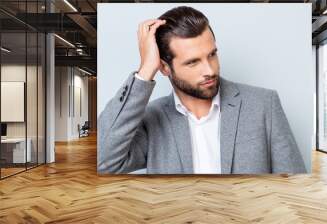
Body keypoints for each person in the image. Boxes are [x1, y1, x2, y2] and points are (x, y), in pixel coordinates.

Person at [98, 6, 306, 174]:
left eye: (212, 55)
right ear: (164, 67)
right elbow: (105, 162)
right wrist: (144, 72)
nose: (209, 70)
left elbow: (294, 187)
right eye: (192, 62)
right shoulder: (152, 119)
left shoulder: (264, 105)